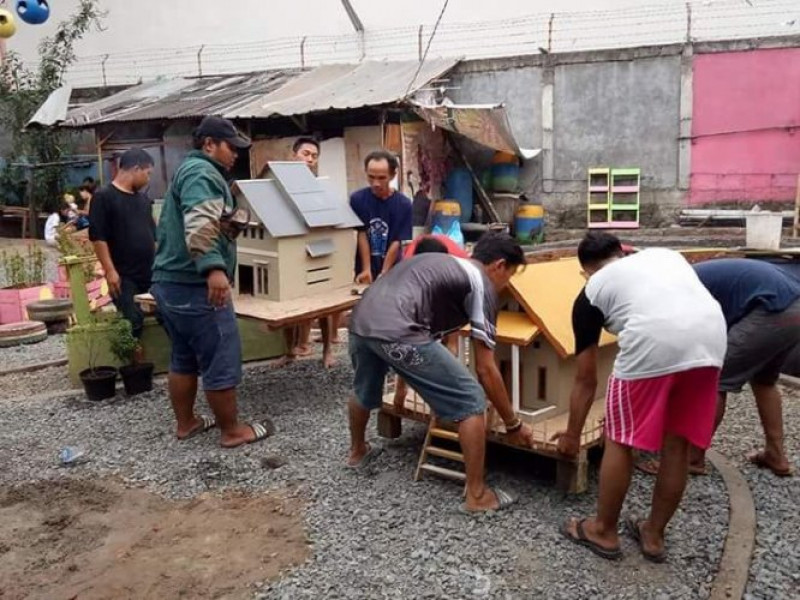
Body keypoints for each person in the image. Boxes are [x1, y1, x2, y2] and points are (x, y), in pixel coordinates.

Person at [554, 233, 726, 562]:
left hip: (653, 341)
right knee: (676, 443)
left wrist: (573, 436)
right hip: (711, 340)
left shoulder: (592, 290)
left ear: (586, 271)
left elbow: (586, 379)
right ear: (621, 252)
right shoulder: (665, 255)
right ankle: (654, 535)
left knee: (620, 439)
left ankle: (603, 531)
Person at [347, 231, 534, 512]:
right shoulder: (481, 283)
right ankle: (477, 496)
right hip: (399, 331)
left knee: (364, 389)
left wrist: (402, 389)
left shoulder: (440, 264)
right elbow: (485, 368)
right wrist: (512, 424)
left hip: (361, 322)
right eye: (510, 275)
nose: (506, 284)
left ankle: (357, 452)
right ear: (499, 265)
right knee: (471, 400)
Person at [151, 115, 273, 448]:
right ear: (209, 144)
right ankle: (232, 431)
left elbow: (200, 219)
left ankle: (187, 423)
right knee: (220, 354)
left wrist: (230, 223)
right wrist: (213, 269)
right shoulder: (202, 173)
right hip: (194, 285)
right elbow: (200, 223)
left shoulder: (189, 171)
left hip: (169, 283)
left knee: (183, 357)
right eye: (231, 147)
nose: (236, 154)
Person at [638, 259, 800, 478]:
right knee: (764, 381)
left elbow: (686, 337)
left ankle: (692, 458)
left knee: (714, 380)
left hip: (772, 309)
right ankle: (776, 455)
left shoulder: (673, 289)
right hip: (793, 308)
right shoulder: (687, 275)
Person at [278, 137, 338, 369]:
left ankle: (327, 351)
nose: (310, 159)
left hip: (316, 245)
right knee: (286, 304)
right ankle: (289, 351)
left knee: (322, 303)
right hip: (290, 247)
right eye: (306, 154)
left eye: (314, 156)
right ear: (294, 155)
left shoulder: (320, 185)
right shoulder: (281, 182)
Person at [392, 235, 468, 409]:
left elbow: (451, 341)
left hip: (452, 282)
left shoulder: (456, 273)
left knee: (449, 344)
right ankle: (401, 392)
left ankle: (445, 396)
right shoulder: (407, 273)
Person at [89, 149, 156, 342]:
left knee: (168, 312)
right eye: (147, 173)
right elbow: (98, 237)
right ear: (136, 169)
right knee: (133, 320)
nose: (148, 179)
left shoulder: (143, 200)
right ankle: (133, 358)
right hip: (123, 276)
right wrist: (110, 271)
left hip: (150, 273)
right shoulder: (104, 197)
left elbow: (153, 235)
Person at [350, 150, 412, 284]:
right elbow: (362, 233)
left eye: (381, 178)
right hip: (364, 270)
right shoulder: (357, 199)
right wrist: (366, 269)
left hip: (393, 270)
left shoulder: (404, 204)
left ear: (393, 175)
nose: (376, 183)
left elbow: (396, 241)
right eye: (371, 177)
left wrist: (384, 273)